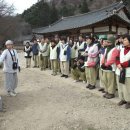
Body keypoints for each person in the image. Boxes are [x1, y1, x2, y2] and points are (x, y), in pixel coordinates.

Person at [116, 34, 130, 109]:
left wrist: (121, 65)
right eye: (123, 40)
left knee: (127, 87)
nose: (123, 41)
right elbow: (117, 57)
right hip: (119, 70)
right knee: (120, 85)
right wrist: (118, 64)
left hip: (127, 72)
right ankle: (123, 99)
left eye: (125, 40)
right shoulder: (122, 49)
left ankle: (129, 101)